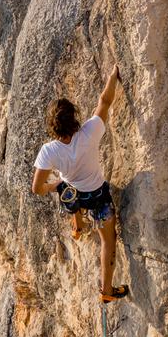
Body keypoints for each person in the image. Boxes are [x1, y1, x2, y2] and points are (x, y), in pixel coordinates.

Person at [31, 66, 128, 303]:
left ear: (52, 125)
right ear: (74, 117)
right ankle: (107, 290)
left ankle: (77, 226)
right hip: (97, 195)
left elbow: (37, 188)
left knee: (66, 189)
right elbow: (104, 102)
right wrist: (112, 76)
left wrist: (53, 185)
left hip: (73, 194)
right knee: (108, 240)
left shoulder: (49, 151)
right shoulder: (90, 132)